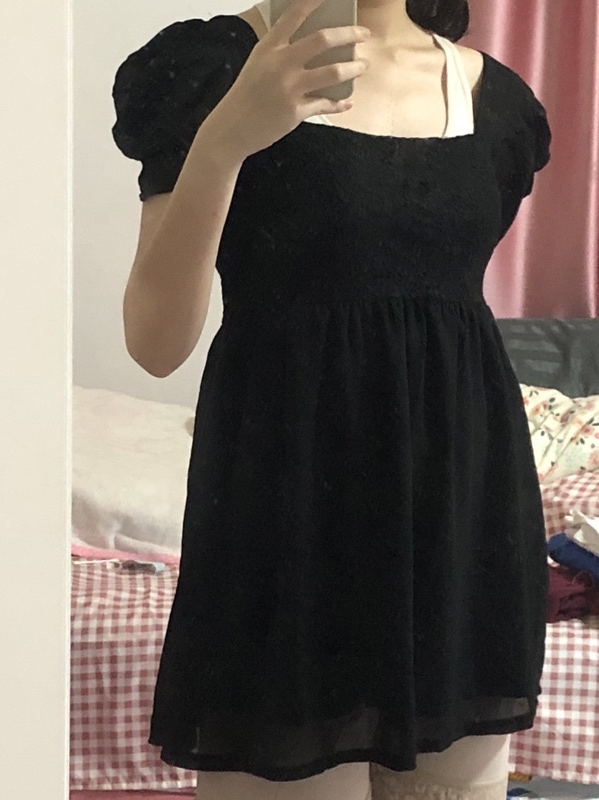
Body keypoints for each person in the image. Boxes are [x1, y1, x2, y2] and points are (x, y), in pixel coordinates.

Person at [110, 0, 552, 797]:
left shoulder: (498, 103)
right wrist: (226, 138)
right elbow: (155, 341)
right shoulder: (211, 69)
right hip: (287, 517)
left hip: (458, 511)